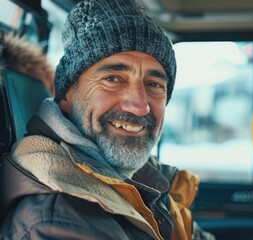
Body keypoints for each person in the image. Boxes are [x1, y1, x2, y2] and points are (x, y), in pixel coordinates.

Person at [0, 0, 215, 239]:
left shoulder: (145, 180)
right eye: (113, 79)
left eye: (154, 84)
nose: (139, 106)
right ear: (67, 95)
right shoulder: (58, 222)